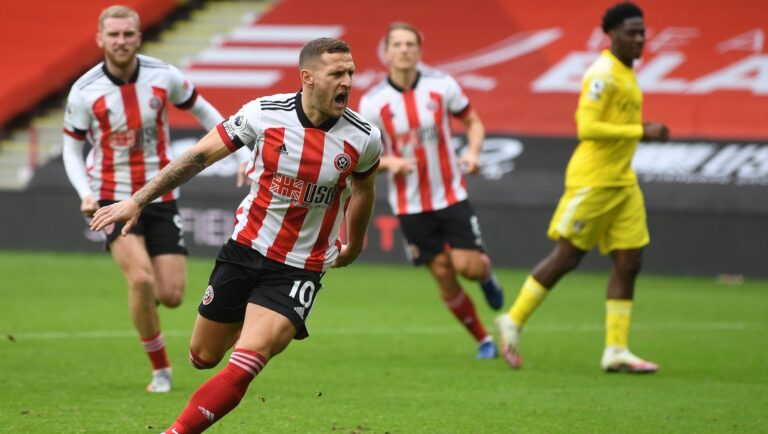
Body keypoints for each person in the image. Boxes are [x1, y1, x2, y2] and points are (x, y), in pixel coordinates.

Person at [91, 37, 381, 433]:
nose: (348, 81)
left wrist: (354, 245)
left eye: (350, 72)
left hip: (300, 268)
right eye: (337, 73)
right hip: (245, 250)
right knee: (203, 356)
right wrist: (138, 200)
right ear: (308, 78)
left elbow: (364, 191)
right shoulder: (263, 114)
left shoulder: (363, 137)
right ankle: (251, 320)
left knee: (245, 364)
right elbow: (197, 157)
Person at [62, 5, 243, 392]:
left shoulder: (164, 76)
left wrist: (242, 153)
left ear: (138, 36)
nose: (121, 41)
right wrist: (85, 193)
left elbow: (204, 110)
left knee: (172, 295)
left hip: (160, 192)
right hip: (110, 195)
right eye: (114, 35)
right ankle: (160, 370)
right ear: (100, 40)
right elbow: (70, 148)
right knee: (140, 279)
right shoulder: (84, 90)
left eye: (128, 34)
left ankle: (145, 309)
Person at [496, 2, 670, 373]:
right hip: (592, 181)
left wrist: (639, 130)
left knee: (630, 260)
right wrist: (641, 131)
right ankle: (513, 319)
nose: (640, 38)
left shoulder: (626, 72)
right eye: (632, 32)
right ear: (612, 35)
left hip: (622, 181)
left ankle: (616, 349)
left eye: (643, 31)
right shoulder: (602, 73)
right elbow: (586, 128)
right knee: (568, 256)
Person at [359, 22, 504, 360]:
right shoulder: (372, 103)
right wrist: (390, 162)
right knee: (442, 272)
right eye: (398, 44)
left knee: (466, 266)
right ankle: (483, 339)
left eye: (411, 44)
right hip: (409, 204)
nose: (405, 49)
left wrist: (473, 152)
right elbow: (360, 157)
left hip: (451, 193)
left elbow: (474, 122)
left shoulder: (442, 86)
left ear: (419, 50)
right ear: (387, 52)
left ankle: (486, 275)